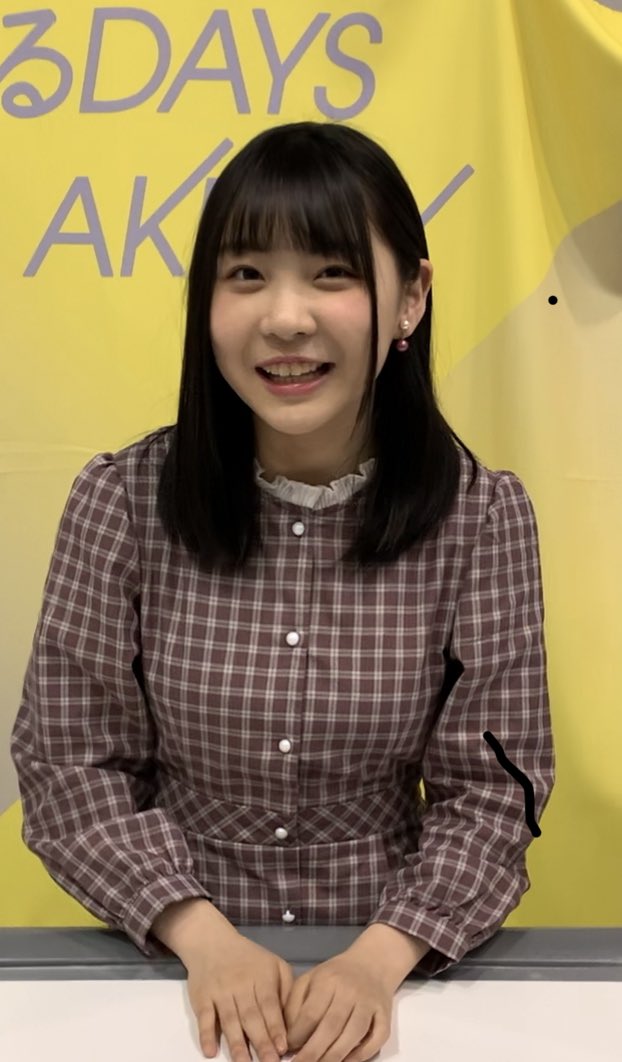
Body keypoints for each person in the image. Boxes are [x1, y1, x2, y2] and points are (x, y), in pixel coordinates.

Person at [11, 120, 555, 1062]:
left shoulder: (483, 517)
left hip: (396, 979)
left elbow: (490, 795)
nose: (287, 318)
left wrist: (378, 960)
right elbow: (69, 765)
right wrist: (203, 937)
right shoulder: (121, 501)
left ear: (410, 297)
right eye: (247, 274)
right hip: (170, 984)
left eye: (332, 273)